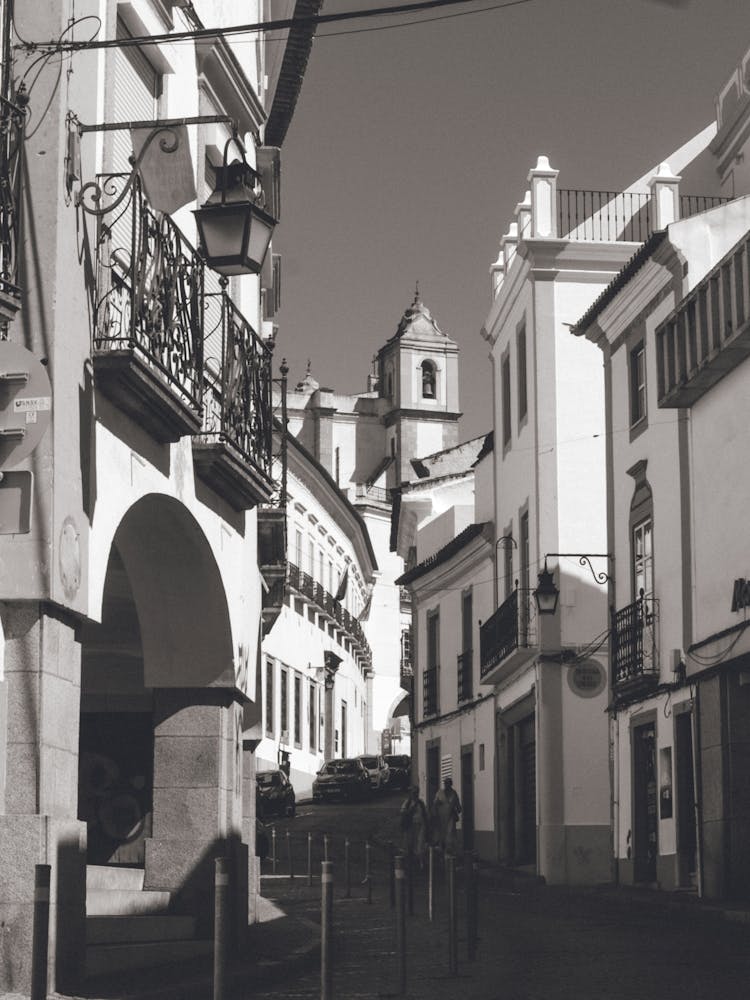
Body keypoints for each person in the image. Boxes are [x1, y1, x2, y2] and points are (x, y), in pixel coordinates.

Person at [399, 785, 428, 867]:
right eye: (414, 793)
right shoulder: (408, 802)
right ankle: (410, 864)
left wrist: (427, 826)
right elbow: (402, 812)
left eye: (416, 793)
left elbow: (425, 814)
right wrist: (411, 810)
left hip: (420, 826)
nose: (415, 794)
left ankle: (420, 863)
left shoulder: (421, 803)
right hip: (410, 826)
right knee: (409, 845)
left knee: (419, 845)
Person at [432, 777, 462, 855]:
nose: (446, 785)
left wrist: (457, 809)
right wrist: (435, 813)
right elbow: (434, 804)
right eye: (445, 783)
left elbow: (459, 807)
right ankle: (442, 853)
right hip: (441, 818)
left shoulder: (454, 793)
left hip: (450, 817)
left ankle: (449, 853)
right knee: (441, 835)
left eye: (448, 783)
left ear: (451, 784)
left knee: (450, 834)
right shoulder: (439, 793)